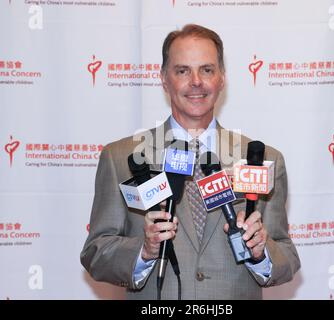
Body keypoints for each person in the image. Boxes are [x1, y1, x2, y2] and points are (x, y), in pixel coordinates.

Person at [80, 24, 300, 300]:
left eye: (207, 70)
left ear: (222, 78)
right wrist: (144, 251)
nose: (196, 81)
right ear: (163, 79)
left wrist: (261, 251)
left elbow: (287, 258)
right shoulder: (120, 158)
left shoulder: (263, 160)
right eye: (182, 70)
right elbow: (96, 254)